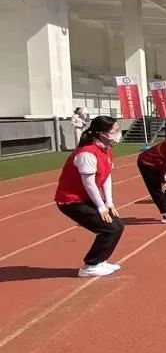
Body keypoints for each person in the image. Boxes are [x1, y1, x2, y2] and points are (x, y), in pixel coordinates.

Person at [54, 115, 125, 277]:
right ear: (102, 134)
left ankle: (100, 261)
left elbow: (106, 176)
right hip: (71, 201)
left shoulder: (106, 150)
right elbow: (89, 183)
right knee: (110, 229)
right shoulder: (87, 153)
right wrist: (100, 206)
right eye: (114, 131)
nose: (118, 134)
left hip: (85, 198)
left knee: (117, 225)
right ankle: (90, 265)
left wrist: (109, 202)